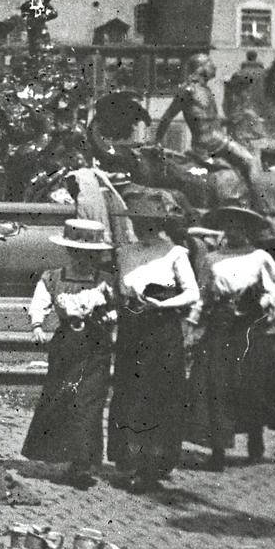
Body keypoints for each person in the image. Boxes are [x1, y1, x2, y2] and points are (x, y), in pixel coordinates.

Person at [108, 189, 199, 491]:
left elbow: (192, 293)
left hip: (162, 330)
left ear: (158, 223)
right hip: (132, 330)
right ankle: (131, 460)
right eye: (135, 221)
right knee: (131, 393)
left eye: (146, 222)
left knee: (158, 395)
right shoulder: (125, 253)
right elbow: (121, 289)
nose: (139, 227)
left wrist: (163, 304)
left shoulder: (174, 253)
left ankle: (154, 462)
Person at [23, 218, 116, 490]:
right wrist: (38, 325)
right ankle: (61, 456)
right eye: (77, 253)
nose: (83, 259)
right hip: (67, 346)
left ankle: (82, 464)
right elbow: (39, 303)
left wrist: (107, 315)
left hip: (95, 345)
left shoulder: (105, 281)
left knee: (88, 403)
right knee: (62, 398)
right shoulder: (54, 276)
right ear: (69, 252)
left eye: (89, 254)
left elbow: (117, 309)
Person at [194, 205, 275, 469]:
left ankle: (255, 438)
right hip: (220, 325)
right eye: (229, 226)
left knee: (251, 382)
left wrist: (261, 300)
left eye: (240, 227)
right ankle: (218, 449)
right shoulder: (212, 259)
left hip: (249, 325)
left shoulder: (259, 257)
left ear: (247, 230)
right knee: (216, 382)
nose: (234, 232)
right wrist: (200, 316)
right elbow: (202, 293)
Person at [154, 54, 258, 190]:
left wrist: (239, 116)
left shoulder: (206, 90)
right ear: (200, 68)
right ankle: (259, 201)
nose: (214, 67)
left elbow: (213, 121)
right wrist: (157, 141)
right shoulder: (188, 90)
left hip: (216, 139)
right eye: (210, 64)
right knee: (250, 160)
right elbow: (167, 116)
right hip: (209, 142)